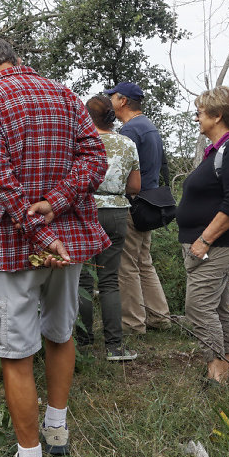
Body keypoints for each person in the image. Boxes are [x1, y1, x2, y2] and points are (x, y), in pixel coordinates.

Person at [0, 37, 108, 457]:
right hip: (67, 240)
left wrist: (41, 230)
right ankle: (56, 428)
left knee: (15, 352)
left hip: (11, 246)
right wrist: (57, 203)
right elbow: (95, 158)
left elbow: (0, 182)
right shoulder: (66, 96)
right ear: (16, 60)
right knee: (61, 332)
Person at [176, 86, 229, 385]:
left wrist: (204, 240)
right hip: (208, 245)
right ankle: (226, 370)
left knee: (198, 306)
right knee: (219, 307)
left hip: (215, 246)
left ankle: (216, 373)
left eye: (199, 112)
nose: (196, 117)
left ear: (217, 115)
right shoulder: (218, 151)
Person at [105, 81, 172, 334]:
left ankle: (133, 324)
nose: (110, 101)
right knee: (144, 261)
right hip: (149, 204)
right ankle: (159, 317)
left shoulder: (130, 130)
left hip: (133, 204)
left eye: (112, 97)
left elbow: (121, 172)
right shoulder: (148, 126)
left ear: (123, 101)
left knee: (127, 265)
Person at [78, 94, 140, 362]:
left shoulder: (79, 142)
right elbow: (135, 186)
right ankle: (114, 347)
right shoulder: (127, 144)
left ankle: (83, 342)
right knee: (110, 280)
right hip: (116, 212)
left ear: (86, 116)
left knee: (82, 279)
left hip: (84, 211)